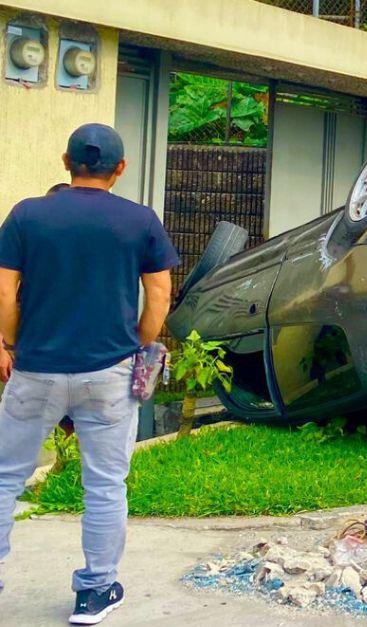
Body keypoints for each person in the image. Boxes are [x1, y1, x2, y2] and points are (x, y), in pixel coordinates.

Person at [0, 123, 179, 624]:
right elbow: (161, 295)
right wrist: (138, 346)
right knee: (104, 485)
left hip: (35, 369)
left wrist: (12, 343)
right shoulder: (139, 220)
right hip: (109, 372)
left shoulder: (27, 215)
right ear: (119, 169)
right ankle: (95, 593)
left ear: (66, 161)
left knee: (2, 479)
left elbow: (4, 292)